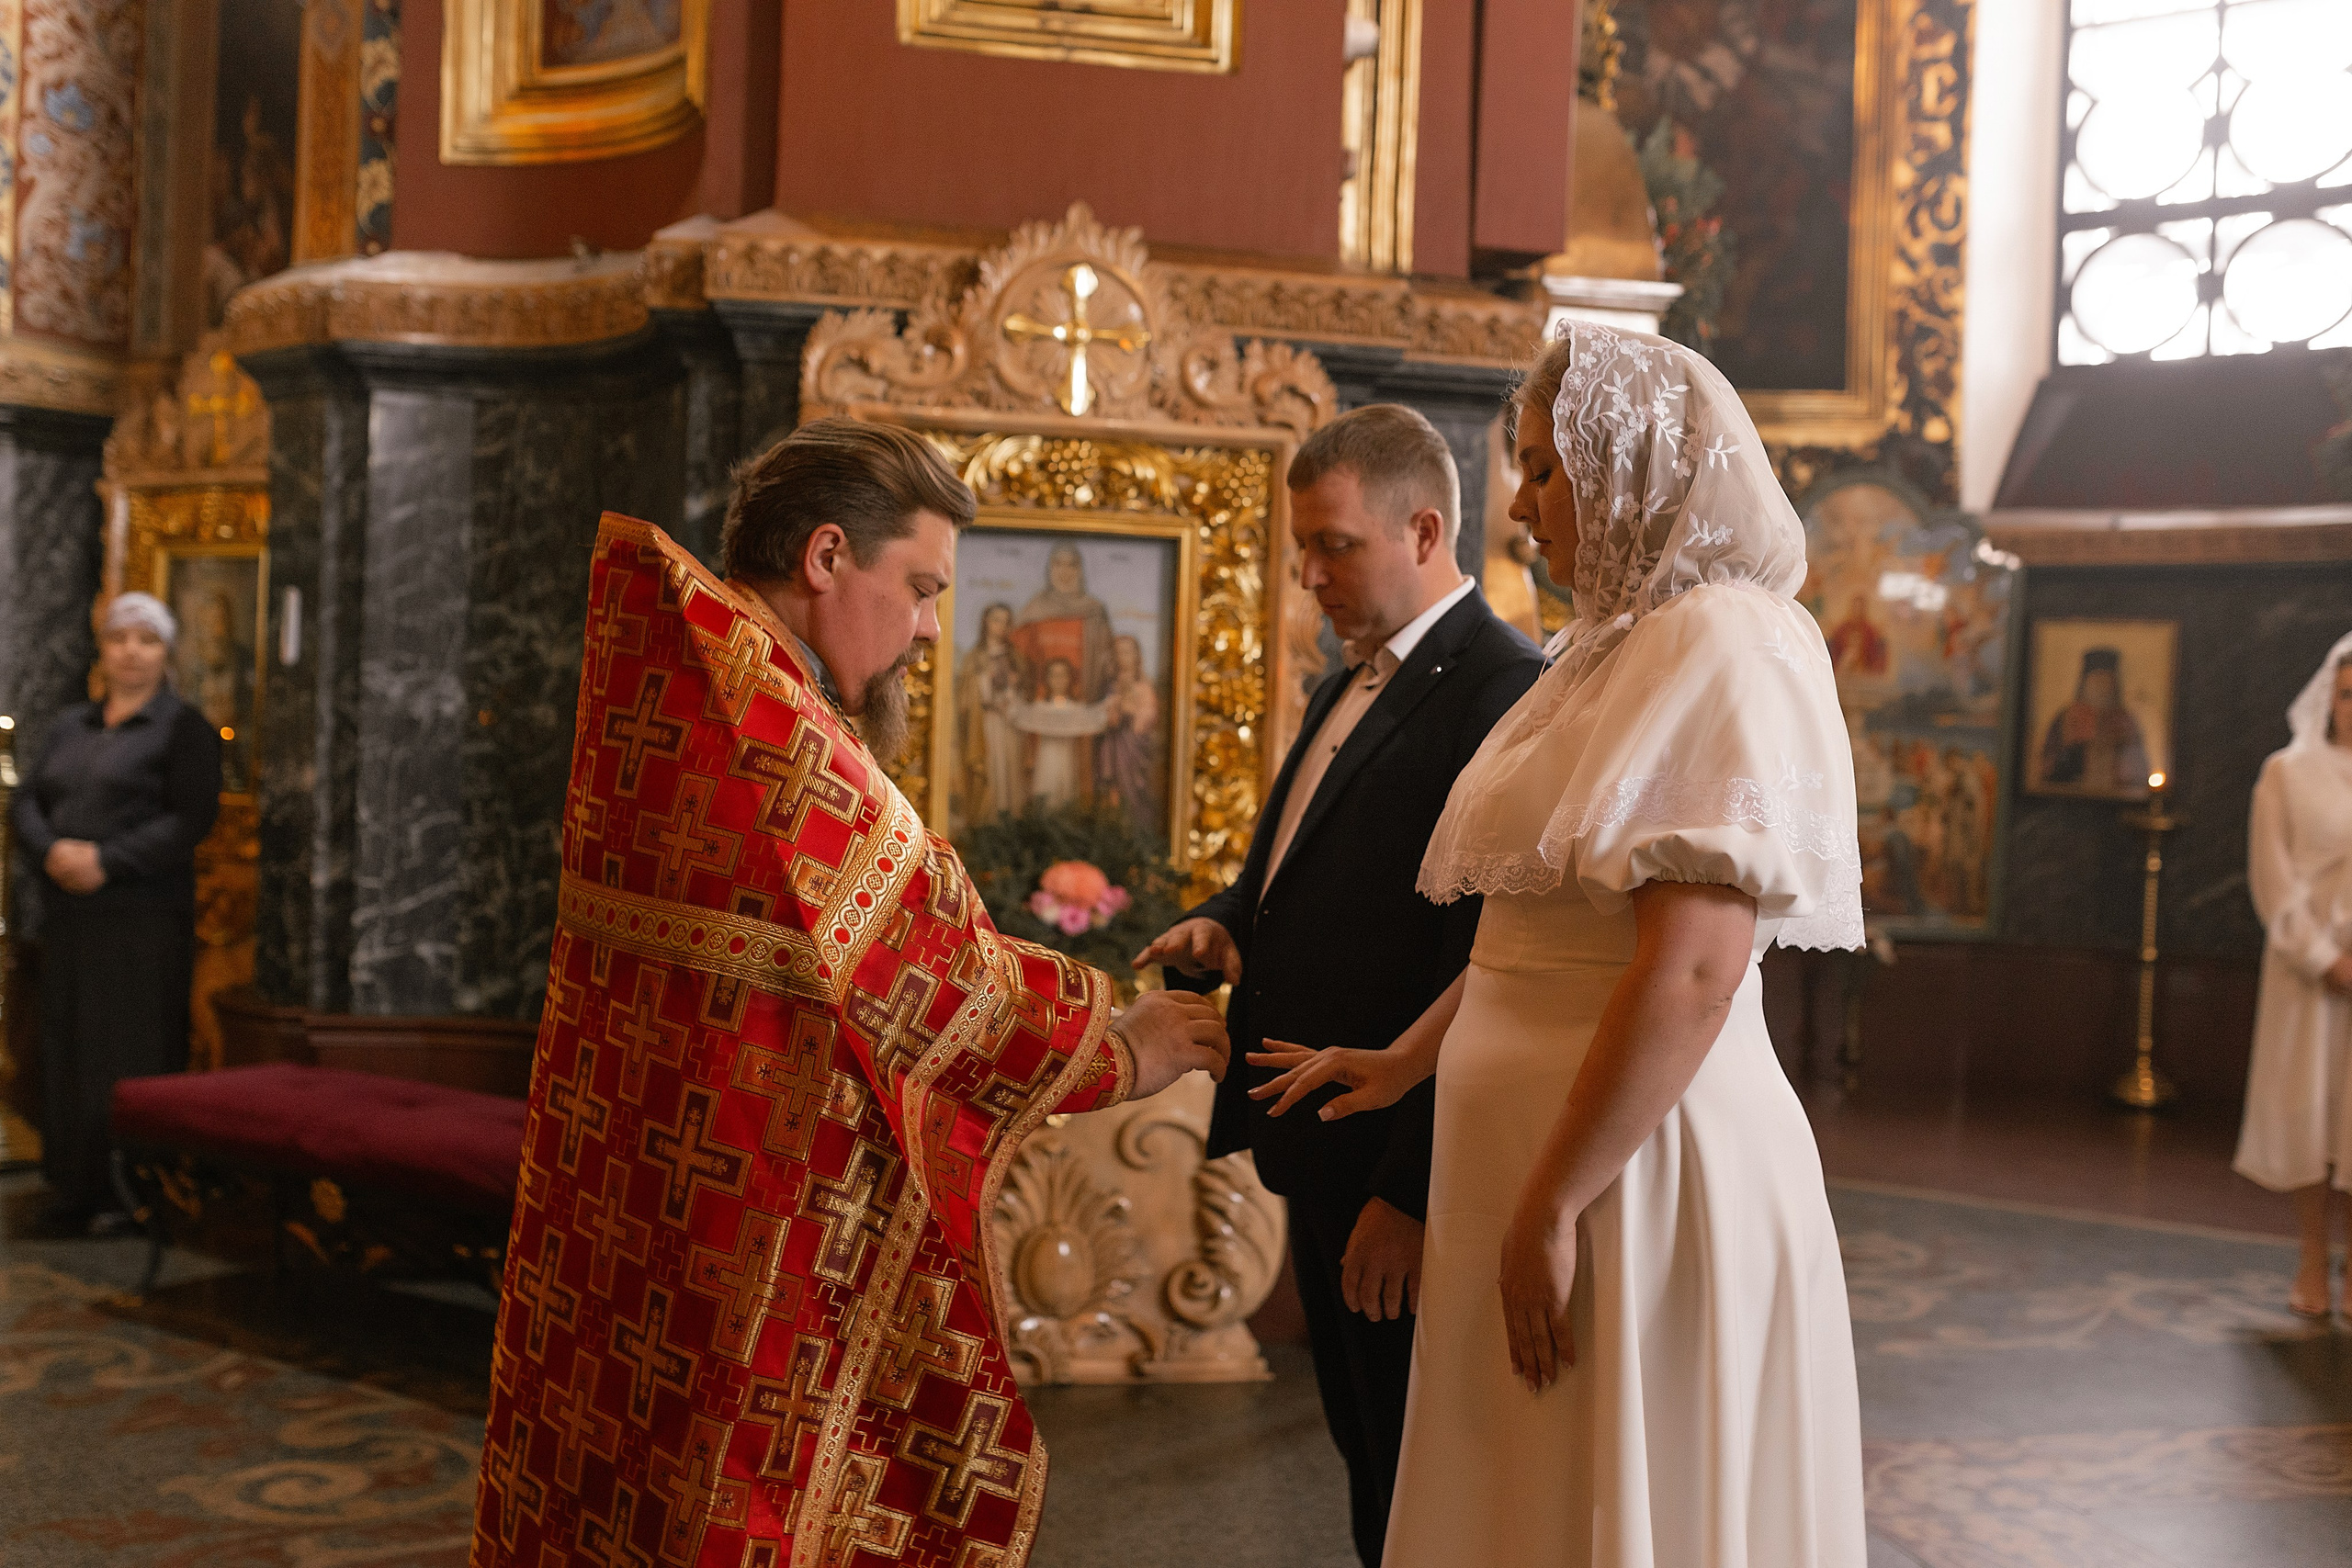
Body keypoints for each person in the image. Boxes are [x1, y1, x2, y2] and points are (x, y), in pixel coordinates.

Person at [469, 419, 1228, 1568]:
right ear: (827, 556)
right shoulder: (771, 724)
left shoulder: (696, 675)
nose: (934, 626)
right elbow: (925, 973)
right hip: (749, 1215)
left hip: (657, 1186)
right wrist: (1121, 1044)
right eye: (920, 587)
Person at [1253, 323, 1868, 1566]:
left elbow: (1693, 966)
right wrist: (1410, 1056)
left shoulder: (1727, 638)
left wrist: (1554, 1198)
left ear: (1629, 461)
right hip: (1538, 1156)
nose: (1521, 507)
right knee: (1523, 1495)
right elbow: (1533, 922)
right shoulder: (1604, 649)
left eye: (1542, 469)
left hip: (1633, 1159)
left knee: (1613, 1491)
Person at [1134, 402, 1542, 1567]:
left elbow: (1487, 961)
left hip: (1395, 1163)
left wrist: (1409, 1190)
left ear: (1422, 530)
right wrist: (1222, 926)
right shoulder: (1341, 684)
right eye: (1300, 547)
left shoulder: (1501, 694)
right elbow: (1287, 874)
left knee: (1422, 1467)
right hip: (1314, 1135)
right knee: (1370, 1458)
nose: (1308, 573)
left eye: (1333, 546)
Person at [12, 592, 221, 1232]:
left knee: (123, 1050)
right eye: (119, 638)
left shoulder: (185, 728)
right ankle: (72, 1184)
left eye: (147, 640)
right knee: (67, 1047)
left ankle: (129, 1194)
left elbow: (190, 818)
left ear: (166, 652)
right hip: (70, 917)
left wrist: (108, 859)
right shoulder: (71, 724)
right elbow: (27, 800)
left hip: (140, 920)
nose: (131, 651)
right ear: (102, 649)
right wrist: (52, 852)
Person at [2233, 635, 2352, 1318]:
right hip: (2308, 970)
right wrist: (2323, 958)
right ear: (2328, 696)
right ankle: (2311, 1256)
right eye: (2347, 692)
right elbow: (2272, 878)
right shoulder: (2286, 771)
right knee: (2313, 1116)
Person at [1013, 542, 1116, 701]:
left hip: (1085, 702)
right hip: (1038, 703)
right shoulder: (1034, 609)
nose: (1064, 572)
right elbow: (1017, 657)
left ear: (1080, 570)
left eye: (1071, 565)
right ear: (1050, 569)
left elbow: (1107, 660)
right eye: (1058, 564)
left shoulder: (1095, 611)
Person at [2039, 647, 2150, 793]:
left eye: (2106, 680)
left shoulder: (2125, 719)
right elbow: (2048, 765)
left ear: (2115, 683)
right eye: (2096, 680)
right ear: (2085, 682)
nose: (2102, 686)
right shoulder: (2066, 717)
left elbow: (2139, 767)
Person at [956, 601, 1028, 825]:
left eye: (1006, 622)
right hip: (985, 723)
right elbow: (964, 697)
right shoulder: (974, 657)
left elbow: (1025, 690)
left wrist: (1013, 694)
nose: (1001, 627)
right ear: (986, 623)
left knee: (1011, 773)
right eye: (996, 620)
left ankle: (1012, 821)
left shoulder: (1015, 657)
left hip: (1010, 723)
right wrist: (983, 682)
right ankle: (989, 823)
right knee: (991, 771)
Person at [1010, 657, 1107, 808]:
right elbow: (1018, 715)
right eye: (1054, 675)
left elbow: (1097, 717)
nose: (1058, 680)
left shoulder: (1076, 708)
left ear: (1069, 678)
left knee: (1067, 797)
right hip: (1046, 760)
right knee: (1046, 797)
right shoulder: (1040, 707)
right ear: (1048, 679)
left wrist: (1110, 705)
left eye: (1062, 675)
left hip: (1068, 760)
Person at [1095, 634, 1163, 834]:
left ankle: (1135, 828)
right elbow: (1104, 714)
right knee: (1112, 785)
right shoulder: (1110, 684)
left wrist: (1132, 715)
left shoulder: (1144, 684)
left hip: (1133, 744)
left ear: (1136, 655)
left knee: (1133, 787)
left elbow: (1149, 713)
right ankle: (1114, 827)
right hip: (1113, 743)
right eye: (1117, 653)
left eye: (1126, 652)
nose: (1121, 657)